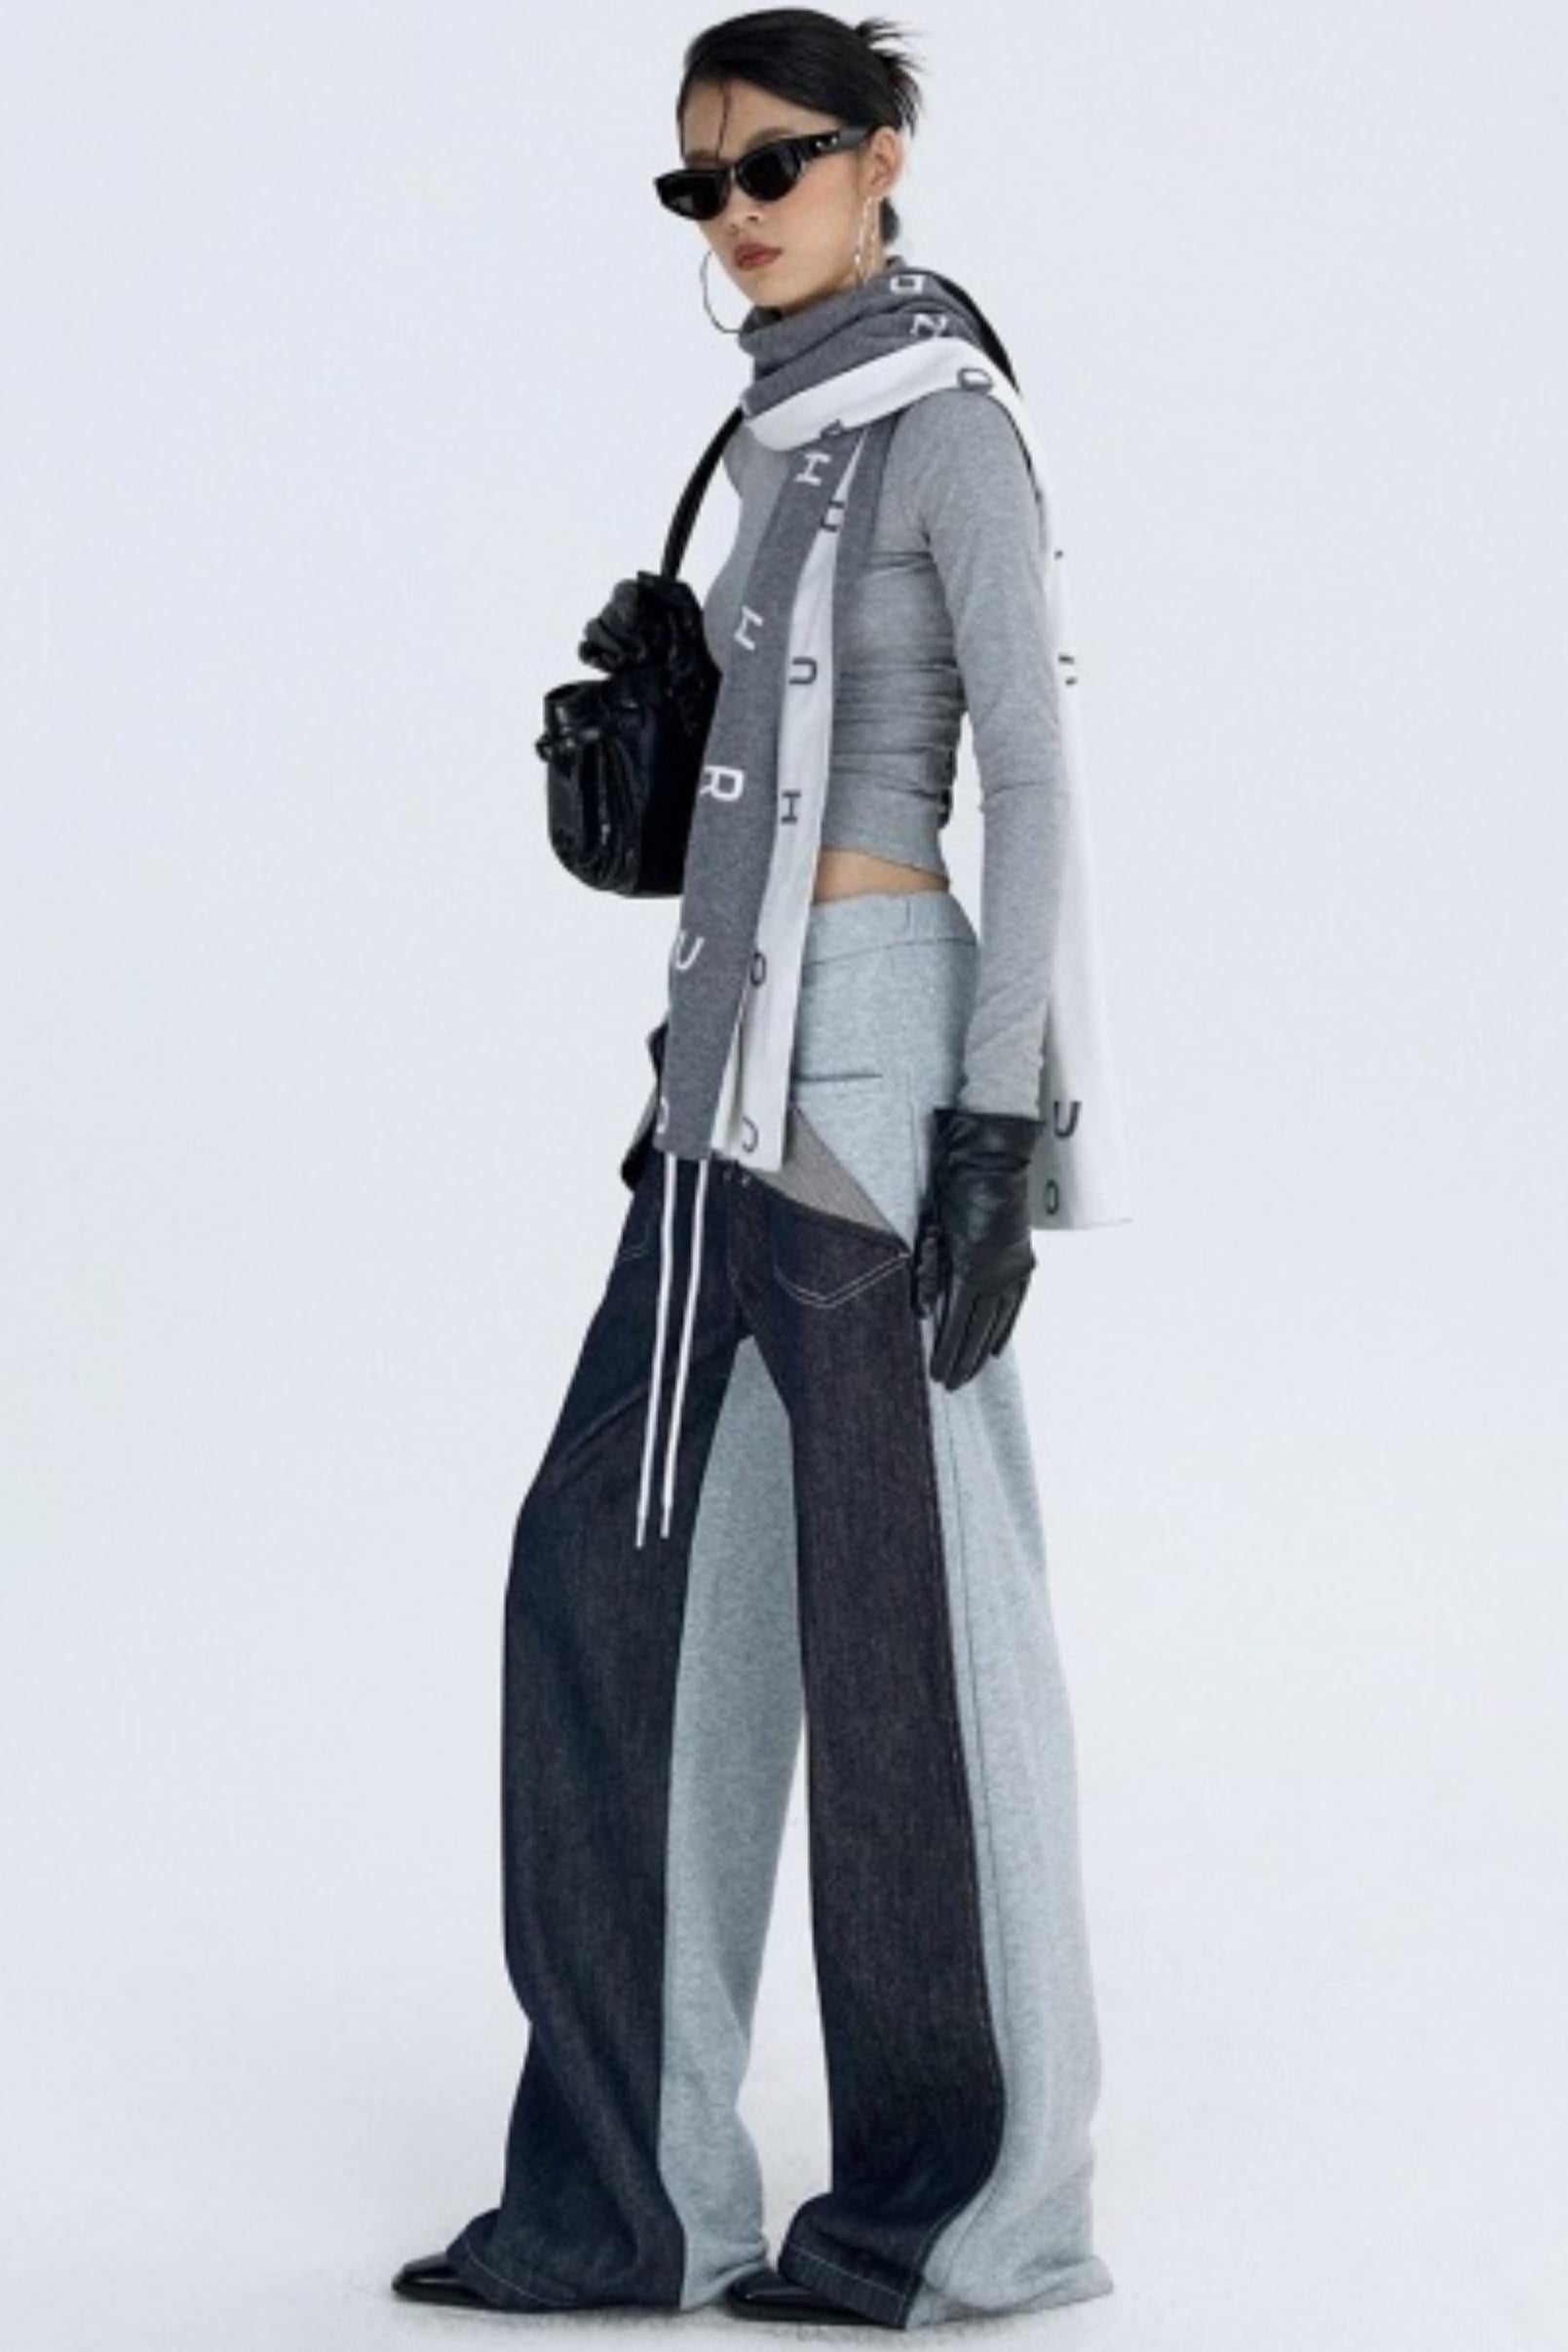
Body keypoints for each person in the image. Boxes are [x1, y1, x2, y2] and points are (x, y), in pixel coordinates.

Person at [393, 6, 1130, 2328]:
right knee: (603, 1581)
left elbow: (1036, 776)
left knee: (913, 1636)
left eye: (775, 163)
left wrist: (1000, 1128)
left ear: (883, 156)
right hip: (716, 1080)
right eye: (696, 180)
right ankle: (635, 2197)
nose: (734, 212)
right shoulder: (771, 431)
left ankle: (962, 2209)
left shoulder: (944, 426)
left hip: (881, 1071)